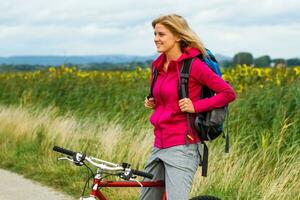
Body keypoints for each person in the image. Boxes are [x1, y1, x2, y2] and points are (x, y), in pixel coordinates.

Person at [140, 14, 236, 200]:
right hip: (159, 143)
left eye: (161, 34)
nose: (156, 39)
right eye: (155, 34)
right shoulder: (157, 66)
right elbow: (168, 99)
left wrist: (197, 106)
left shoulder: (194, 66)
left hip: (183, 145)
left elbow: (228, 93)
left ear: (177, 36)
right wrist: (152, 102)